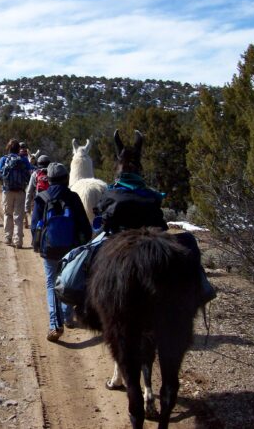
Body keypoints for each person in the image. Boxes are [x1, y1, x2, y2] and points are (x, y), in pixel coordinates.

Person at [93, 130, 215, 304]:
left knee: (88, 254)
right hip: (151, 239)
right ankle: (202, 288)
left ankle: (83, 298)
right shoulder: (151, 196)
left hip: (116, 237)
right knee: (189, 242)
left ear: (118, 167)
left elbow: (100, 221)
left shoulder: (110, 193)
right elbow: (161, 225)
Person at [31, 162, 92, 342]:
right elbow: (84, 226)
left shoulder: (41, 197)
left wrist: (37, 245)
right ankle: (67, 318)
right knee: (69, 282)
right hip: (71, 249)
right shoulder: (73, 197)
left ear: (48, 179)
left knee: (51, 284)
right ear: (66, 179)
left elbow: (35, 226)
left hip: (49, 249)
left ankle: (54, 324)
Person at [0, 139, 32, 248]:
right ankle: (18, 241)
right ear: (18, 149)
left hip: (7, 191)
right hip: (20, 191)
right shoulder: (24, 160)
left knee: (8, 214)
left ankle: (8, 237)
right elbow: (29, 174)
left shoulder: (3, 159)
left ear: (8, 148)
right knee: (19, 217)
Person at [25, 154, 50, 226]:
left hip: (39, 202)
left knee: (34, 225)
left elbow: (29, 191)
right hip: (52, 202)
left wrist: (27, 208)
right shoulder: (53, 173)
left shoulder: (35, 174)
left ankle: (36, 236)